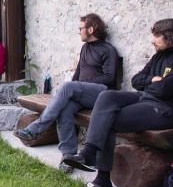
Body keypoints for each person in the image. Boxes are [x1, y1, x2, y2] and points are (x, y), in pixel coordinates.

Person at [63, 19, 173, 187]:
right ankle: (89, 152)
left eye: (157, 35)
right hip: (145, 99)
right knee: (107, 96)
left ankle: (102, 180)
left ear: (170, 37)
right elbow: (136, 80)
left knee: (109, 119)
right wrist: (152, 79)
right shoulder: (159, 56)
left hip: (166, 110)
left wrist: (151, 84)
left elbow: (163, 90)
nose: (153, 40)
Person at [13, 13, 119, 173]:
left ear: (91, 29)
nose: (79, 31)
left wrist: (78, 85)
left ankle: (35, 129)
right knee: (65, 110)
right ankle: (68, 157)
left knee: (69, 86)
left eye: (81, 28)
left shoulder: (108, 50)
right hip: (83, 94)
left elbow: (110, 78)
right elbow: (78, 73)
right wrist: (76, 86)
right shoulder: (85, 48)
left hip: (102, 94)